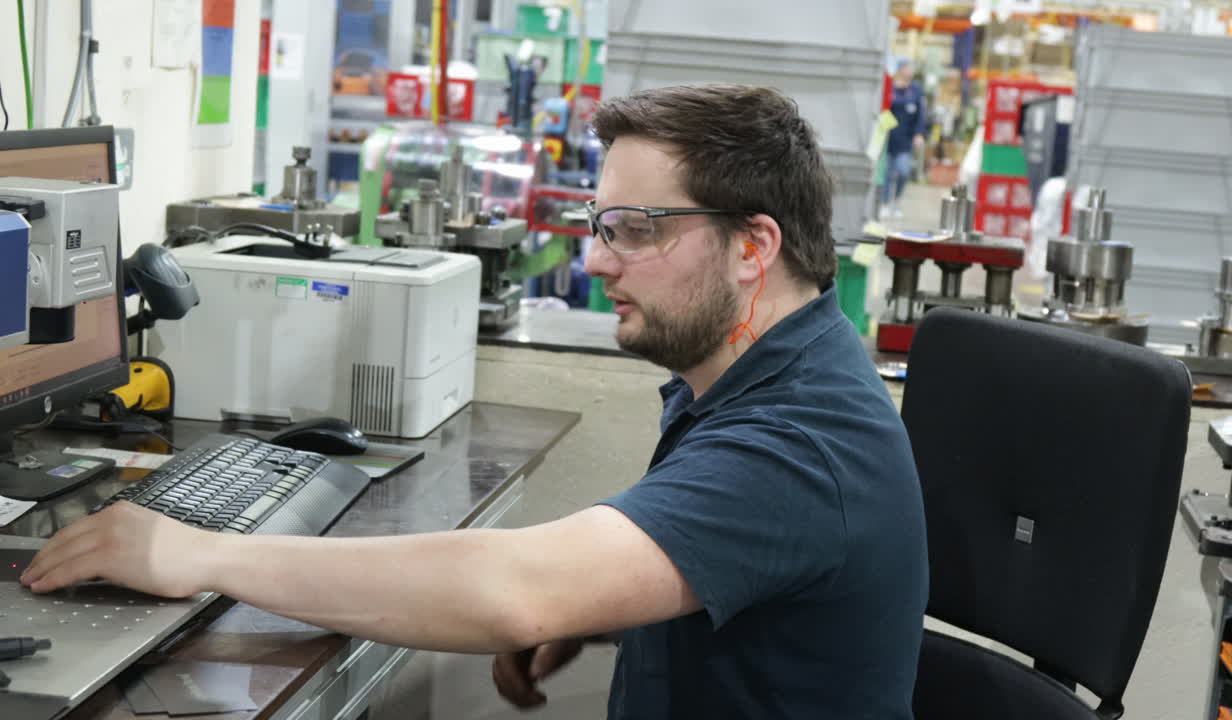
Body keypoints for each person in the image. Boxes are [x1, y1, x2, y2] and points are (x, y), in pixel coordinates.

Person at [20, 84, 929, 719]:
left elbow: (513, 592)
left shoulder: (804, 441)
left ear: (751, 248)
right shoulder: (766, 376)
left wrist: (201, 552)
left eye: (635, 231)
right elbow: (690, 556)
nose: (598, 260)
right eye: (597, 225)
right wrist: (606, 604)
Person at [882, 62, 928, 219]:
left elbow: (921, 114)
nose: (910, 71)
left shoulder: (916, 90)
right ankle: (885, 203)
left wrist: (919, 134)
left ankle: (897, 200)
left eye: (911, 69)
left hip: (906, 140)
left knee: (903, 171)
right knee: (887, 173)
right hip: (889, 137)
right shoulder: (890, 87)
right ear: (900, 70)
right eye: (907, 68)